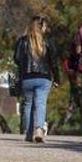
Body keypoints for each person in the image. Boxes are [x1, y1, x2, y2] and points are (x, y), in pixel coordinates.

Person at [14, 15, 58, 143]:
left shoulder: (22, 41)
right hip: (44, 78)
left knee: (28, 105)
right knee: (40, 103)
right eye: (45, 26)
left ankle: (28, 134)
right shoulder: (48, 42)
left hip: (27, 77)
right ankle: (38, 129)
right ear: (41, 27)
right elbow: (53, 62)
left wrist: (23, 66)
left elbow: (16, 58)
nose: (46, 28)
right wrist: (57, 79)